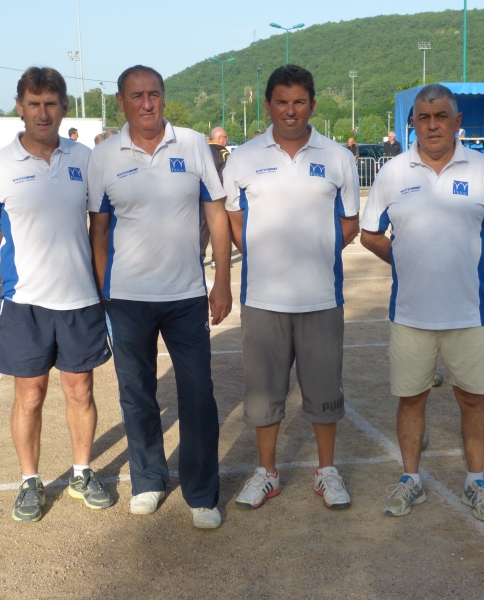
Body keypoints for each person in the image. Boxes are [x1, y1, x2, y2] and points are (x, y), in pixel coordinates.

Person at [359, 83, 484, 522]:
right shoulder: (393, 173)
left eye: (441, 116)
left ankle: (475, 482)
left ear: (457, 121)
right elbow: (370, 234)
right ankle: (411, 478)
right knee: (411, 399)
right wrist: (405, 261)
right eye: (424, 118)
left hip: (467, 311)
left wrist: (473, 258)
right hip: (410, 312)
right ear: (413, 123)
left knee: (472, 399)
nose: (432, 125)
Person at [88, 65, 232, 530]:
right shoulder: (104, 156)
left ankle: (202, 493)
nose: (147, 103)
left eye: (154, 94)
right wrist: (105, 292)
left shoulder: (191, 144)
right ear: (121, 102)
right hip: (128, 299)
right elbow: (99, 231)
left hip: (186, 295)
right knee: (137, 394)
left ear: (164, 97)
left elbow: (216, 214)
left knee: (198, 395)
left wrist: (222, 280)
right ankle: (148, 480)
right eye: (137, 96)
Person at [0, 67, 113, 523]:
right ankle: (29, 480)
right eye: (34, 104)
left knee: (80, 390)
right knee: (30, 395)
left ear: (64, 108)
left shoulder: (85, 159)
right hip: (24, 303)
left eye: (51, 104)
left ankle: (82, 473)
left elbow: (101, 226)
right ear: (20, 107)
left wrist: (106, 289)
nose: (43, 113)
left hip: (80, 299)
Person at [223, 65, 360, 511]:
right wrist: (267, 257)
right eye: (281, 102)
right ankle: (267, 473)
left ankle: (327, 471)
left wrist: (314, 253)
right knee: (264, 393)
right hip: (263, 300)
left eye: (299, 101)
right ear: (268, 106)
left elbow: (350, 223)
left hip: (321, 298)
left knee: (324, 390)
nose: (290, 110)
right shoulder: (242, 158)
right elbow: (234, 220)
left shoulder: (338, 157)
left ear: (312, 105)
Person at [201, 127, 231, 265]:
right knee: (220, 226)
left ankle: (200, 256)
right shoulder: (223, 152)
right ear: (219, 138)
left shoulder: (202, 150)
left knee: (203, 226)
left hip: (202, 193)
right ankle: (216, 259)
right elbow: (227, 174)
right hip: (219, 194)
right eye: (225, 137)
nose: (227, 140)